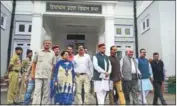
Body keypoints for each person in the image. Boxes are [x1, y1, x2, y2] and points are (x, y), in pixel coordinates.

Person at [31, 40, 56, 104]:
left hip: (48, 75)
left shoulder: (52, 53)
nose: (47, 44)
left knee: (46, 92)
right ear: (43, 44)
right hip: (38, 74)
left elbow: (53, 65)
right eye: (46, 43)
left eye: (48, 43)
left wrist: (52, 75)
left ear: (50, 45)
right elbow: (34, 63)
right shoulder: (38, 52)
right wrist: (32, 73)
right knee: (37, 91)